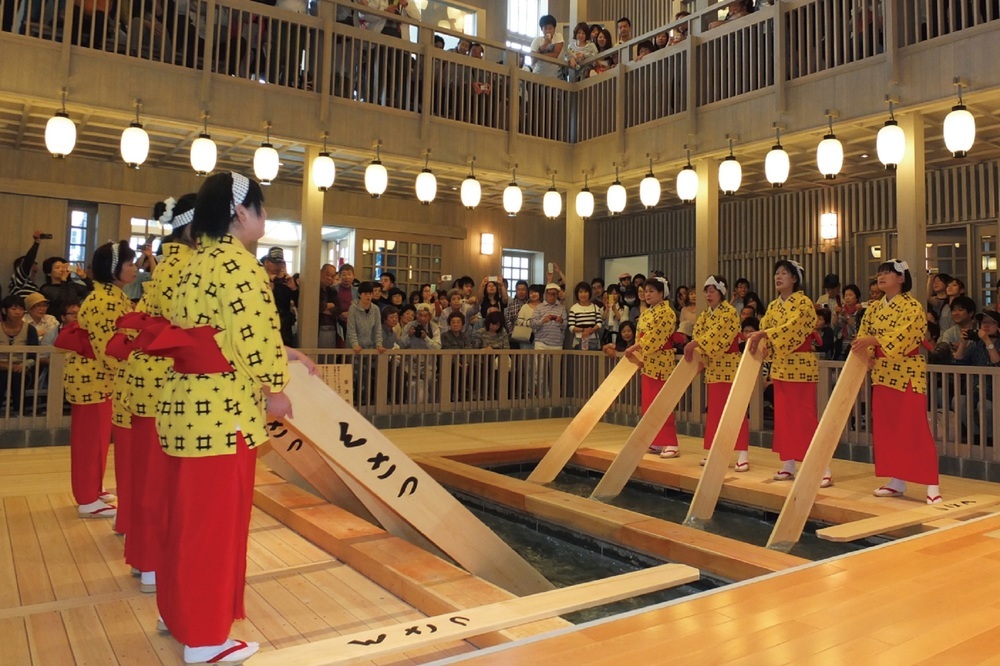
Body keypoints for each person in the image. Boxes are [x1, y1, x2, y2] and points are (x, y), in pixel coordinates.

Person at [153, 172, 314, 665]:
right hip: (221, 414)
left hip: (184, 406)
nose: (265, 219)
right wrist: (274, 389)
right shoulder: (240, 268)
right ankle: (203, 638)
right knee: (214, 528)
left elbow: (212, 333)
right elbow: (252, 339)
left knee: (184, 521)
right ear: (242, 213)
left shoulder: (192, 262)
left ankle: (180, 614)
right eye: (263, 210)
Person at [116, 193, 197, 595]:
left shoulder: (168, 263)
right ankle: (152, 562)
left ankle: (146, 559)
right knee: (159, 480)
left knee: (150, 476)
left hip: (150, 376)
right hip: (165, 378)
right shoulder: (188, 265)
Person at [852, 259, 942, 504]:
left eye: (887, 273)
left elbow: (905, 336)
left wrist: (874, 342)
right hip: (882, 374)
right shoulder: (873, 308)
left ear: (901, 278)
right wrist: (868, 354)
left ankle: (932, 483)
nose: (881, 277)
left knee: (914, 427)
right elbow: (863, 335)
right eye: (879, 273)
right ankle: (896, 479)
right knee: (886, 428)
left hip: (907, 374)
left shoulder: (912, 306)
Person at [59, 241, 137, 520]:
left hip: (101, 378)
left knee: (100, 437)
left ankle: (93, 488)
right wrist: (132, 368)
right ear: (114, 268)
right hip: (94, 377)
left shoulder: (112, 295)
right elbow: (109, 348)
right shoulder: (104, 300)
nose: (135, 269)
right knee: (89, 440)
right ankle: (87, 497)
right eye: (130, 264)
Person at [746, 259, 831, 486]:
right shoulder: (773, 306)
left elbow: (792, 328)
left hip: (801, 365)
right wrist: (760, 343)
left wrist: (764, 334)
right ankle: (789, 463)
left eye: (784, 273)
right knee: (784, 417)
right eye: (777, 273)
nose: (779, 276)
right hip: (781, 367)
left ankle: (822, 466)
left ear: (795, 279)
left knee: (805, 416)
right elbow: (767, 332)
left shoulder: (804, 303)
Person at [684, 276, 749, 470]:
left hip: (729, 365)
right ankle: (715, 451)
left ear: (721, 292)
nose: (708, 294)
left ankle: (742, 453)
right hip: (713, 368)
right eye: (706, 290)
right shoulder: (705, 315)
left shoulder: (729, 312)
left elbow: (716, 335)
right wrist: (699, 349)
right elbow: (699, 333)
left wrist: (696, 344)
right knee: (715, 411)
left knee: (735, 410)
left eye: (712, 290)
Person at [625, 277, 682, 457]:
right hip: (648, 360)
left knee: (662, 403)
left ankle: (670, 442)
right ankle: (656, 440)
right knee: (649, 403)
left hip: (661, 361)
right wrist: (638, 352)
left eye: (651, 291)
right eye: (646, 291)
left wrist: (636, 347)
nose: (647, 294)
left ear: (661, 293)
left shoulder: (667, 312)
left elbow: (656, 336)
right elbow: (640, 335)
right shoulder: (647, 312)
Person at [1, 295, 39, 414]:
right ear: (4, 310)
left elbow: (33, 356)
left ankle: (20, 412)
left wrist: (25, 364)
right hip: (1, 366)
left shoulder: (30, 329)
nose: (18, 312)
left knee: (18, 378)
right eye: (13, 309)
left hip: (21, 367)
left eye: (21, 309)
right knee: (2, 378)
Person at [262, 247, 299, 347]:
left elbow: (299, 305)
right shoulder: (260, 279)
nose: (277, 267)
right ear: (266, 262)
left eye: (280, 264)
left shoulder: (287, 280)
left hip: (284, 327)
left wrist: (294, 289)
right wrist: (270, 286)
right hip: (265, 325)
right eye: (274, 263)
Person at [531, 283, 568, 351]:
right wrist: (542, 321)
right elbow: (532, 324)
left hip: (557, 344)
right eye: (550, 293)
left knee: (556, 362)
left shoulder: (562, 308)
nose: (552, 296)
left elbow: (565, 325)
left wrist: (561, 321)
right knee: (540, 362)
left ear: (557, 295)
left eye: (555, 294)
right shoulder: (539, 307)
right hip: (541, 342)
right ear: (546, 294)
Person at [568, 281, 603, 350]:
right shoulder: (574, 308)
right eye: (580, 292)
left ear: (589, 293)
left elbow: (599, 323)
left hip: (593, 340)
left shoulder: (595, 307)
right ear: (577, 294)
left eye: (585, 292)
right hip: (578, 340)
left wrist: (592, 330)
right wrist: (584, 330)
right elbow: (571, 327)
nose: (583, 294)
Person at [9, 231, 45, 297]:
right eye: (33, 263)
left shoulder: (33, 285)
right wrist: (37, 242)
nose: (35, 265)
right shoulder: (19, 280)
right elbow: (28, 261)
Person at [530, 14, 564, 78]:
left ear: (554, 28)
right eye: (545, 28)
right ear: (541, 29)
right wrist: (544, 45)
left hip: (554, 77)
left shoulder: (558, 37)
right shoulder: (537, 40)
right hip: (537, 75)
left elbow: (555, 55)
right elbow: (533, 61)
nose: (548, 31)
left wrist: (539, 56)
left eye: (550, 28)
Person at [318, 263, 340, 348]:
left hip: (331, 327)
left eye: (332, 276)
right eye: (327, 275)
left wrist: (324, 308)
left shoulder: (332, 291)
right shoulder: (313, 288)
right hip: (316, 327)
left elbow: (338, 309)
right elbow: (315, 307)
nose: (329, 278)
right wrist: (328, 305)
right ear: (320, 272)